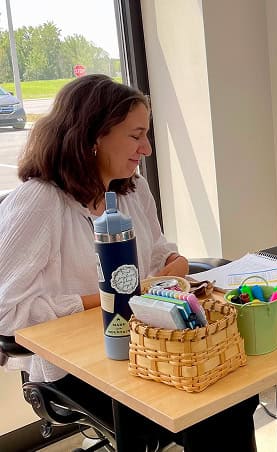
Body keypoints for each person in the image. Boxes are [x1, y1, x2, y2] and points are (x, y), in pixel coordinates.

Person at [0, 75, 257, 451]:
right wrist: (114, 298)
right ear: (93, 136)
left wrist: (176, 266)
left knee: (233, 390)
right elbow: (5, 313)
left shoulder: (132, 189)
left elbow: (159, 254)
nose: (146, 149)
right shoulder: (39, 202)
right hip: (76, 365)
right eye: (136, 136)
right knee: (209, 411)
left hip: (146, 343)